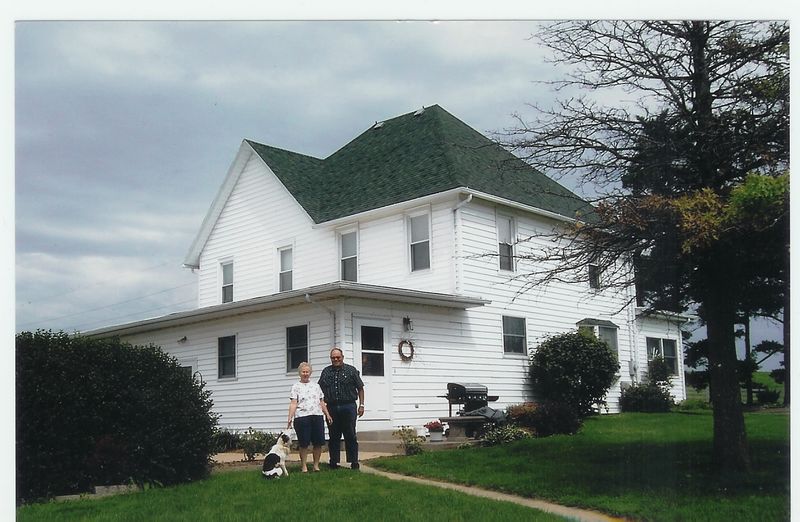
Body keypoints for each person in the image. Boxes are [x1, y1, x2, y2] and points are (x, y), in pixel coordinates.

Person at [318, 347, 365, 470]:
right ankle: (333, 462)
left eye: (338, 357)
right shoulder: (326, 372)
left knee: (350, 434)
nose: (336, 359)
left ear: (342, 357)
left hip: (348, 406)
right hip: (332, 407)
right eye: (333, 358)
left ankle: (354, 461)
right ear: (331, 359)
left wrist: (362, 405)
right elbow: (319, 390)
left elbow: (360, 388)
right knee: (334, 436)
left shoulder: (351, 370)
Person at [287, 362, 332, 473]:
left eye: (307, 372)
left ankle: (316, 465)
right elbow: (293, 403)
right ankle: (304, 466)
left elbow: (321, 402)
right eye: (303, 372)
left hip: (317, 416)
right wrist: (289, 418)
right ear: (299, 373)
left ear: (310, 373)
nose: (305, 374)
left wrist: (327, 414)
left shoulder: (316, 386)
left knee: (318, 443)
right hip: (302, 417)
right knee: (304, 443)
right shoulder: (296, 386)